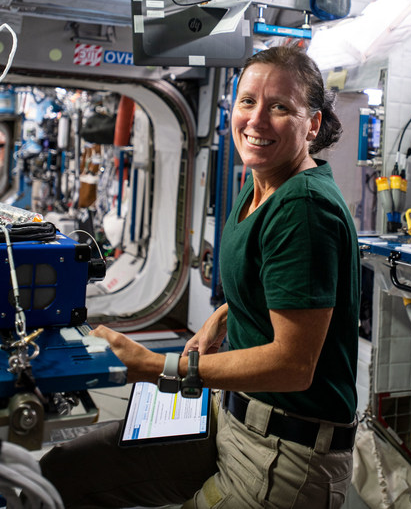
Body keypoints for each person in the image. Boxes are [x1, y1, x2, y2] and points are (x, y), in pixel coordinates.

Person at [40, 43, 361, 509]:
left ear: (311, 124)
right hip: (231, 416)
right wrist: (224, 315)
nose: (256, 120)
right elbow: (276, 286)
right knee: (63, 472)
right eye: (248, 101)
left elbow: (293, 365)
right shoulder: (261, 185)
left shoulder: (303, 207)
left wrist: (157, 366)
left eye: (280, 107)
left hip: (281, 456)